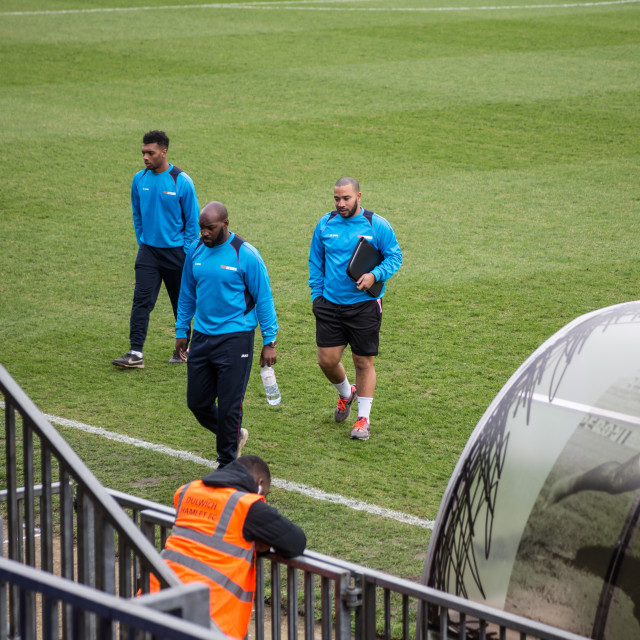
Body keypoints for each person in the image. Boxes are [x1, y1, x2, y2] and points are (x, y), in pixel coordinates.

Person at [149, 455, 306, 639]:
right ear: (260, 484)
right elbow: (295, 542)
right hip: (205, 621)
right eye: (264, 494)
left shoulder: (187, 491)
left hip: (153, 603)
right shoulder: (247, 506)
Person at [175, 201, 278, 467]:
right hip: (202, 336)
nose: (204, 233)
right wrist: (181, 330)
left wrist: (270, 341)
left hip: (236, 338)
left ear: (225, 224)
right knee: (197, 402)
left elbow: (264, 299)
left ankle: (226, 461)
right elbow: (187, 292)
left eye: (210, 228)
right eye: (201, 228)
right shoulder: (195, 250)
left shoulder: (245, 254)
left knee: (231, 403)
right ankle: (235, 435)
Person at [308, 177, 402, 441]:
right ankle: (346, 394)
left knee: (363, 361)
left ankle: (363, 419)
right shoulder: (325, 224)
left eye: (346, 198)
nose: (340, 203)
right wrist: (317, 297)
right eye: (336, 198)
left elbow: (395, 256)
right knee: (326, 361)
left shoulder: (376, 224)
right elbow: (315, 262)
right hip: (329, 304)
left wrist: (375, 275)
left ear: (359, 196)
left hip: (364, 306)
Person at [113, 130, 200, 369]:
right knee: (141, 300)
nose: (145, 157)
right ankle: (135, 352)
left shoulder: (181, 181)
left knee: (181, 304)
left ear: (164, 152)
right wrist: (143, 240)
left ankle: (184, 351)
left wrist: (186, 252)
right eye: (143, 152)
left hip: (177, 254)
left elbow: (192, 223)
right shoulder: (139, 179)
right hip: (149, 252)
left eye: (150, 153)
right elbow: (137, 214)